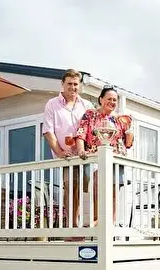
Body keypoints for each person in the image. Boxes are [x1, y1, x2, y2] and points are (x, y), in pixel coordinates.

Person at [42, 69, 94, 236]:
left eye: (76, 84)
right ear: (62, 84)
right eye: (69, 84)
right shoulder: (52, 104)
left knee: (88, 188)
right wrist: (59, 152)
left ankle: (92, 225)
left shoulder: (87, 105)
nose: (73, 87)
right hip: (67, 157)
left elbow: (93, 129)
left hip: (85, 155)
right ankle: (72, 227)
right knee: (70, 187)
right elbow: (48, 131)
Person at [74, 86, 133, 226]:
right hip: (94, 156)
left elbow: (128, 144)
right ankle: (98, 219)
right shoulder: (90, 115)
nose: (112, 102)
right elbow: (81, 134)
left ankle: (110, 221)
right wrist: (81, 151)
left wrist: (130, 132)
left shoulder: (119, 119)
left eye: (115, 100)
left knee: (112, 189)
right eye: (109, 99)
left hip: (115, 158)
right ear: (101, 99)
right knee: (97, 182)